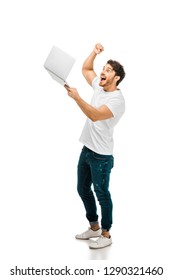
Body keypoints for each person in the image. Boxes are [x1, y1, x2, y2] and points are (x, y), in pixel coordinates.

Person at [64, 43, 125, 249]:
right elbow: (86, 69)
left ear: (116, 78)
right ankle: (94, 226)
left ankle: (106, 235)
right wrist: (95, 53)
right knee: (82, 188)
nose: (102, 72)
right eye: (104, 68)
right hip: (87, 149)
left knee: (102, 193)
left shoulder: (117, 100)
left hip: (102, 156)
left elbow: (95, 115)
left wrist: (77, 98)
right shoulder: (99, 86)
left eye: (108, 70)